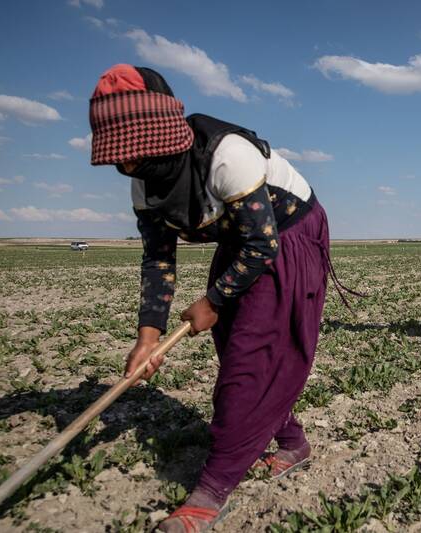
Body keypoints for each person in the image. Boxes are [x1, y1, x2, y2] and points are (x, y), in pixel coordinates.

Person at [88, 64, 332, 531]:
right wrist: (148, 337)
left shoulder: (227, 156)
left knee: (251, 358)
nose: (128, 168)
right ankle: (292, 442)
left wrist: (213, 301)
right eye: (120, 160)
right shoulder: (143, 184)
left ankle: (212, 490)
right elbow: (158, 259)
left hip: (287, 236)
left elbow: (261, 245)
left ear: (160, 138)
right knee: (234, 347)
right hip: (243, 242)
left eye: (134, 157)